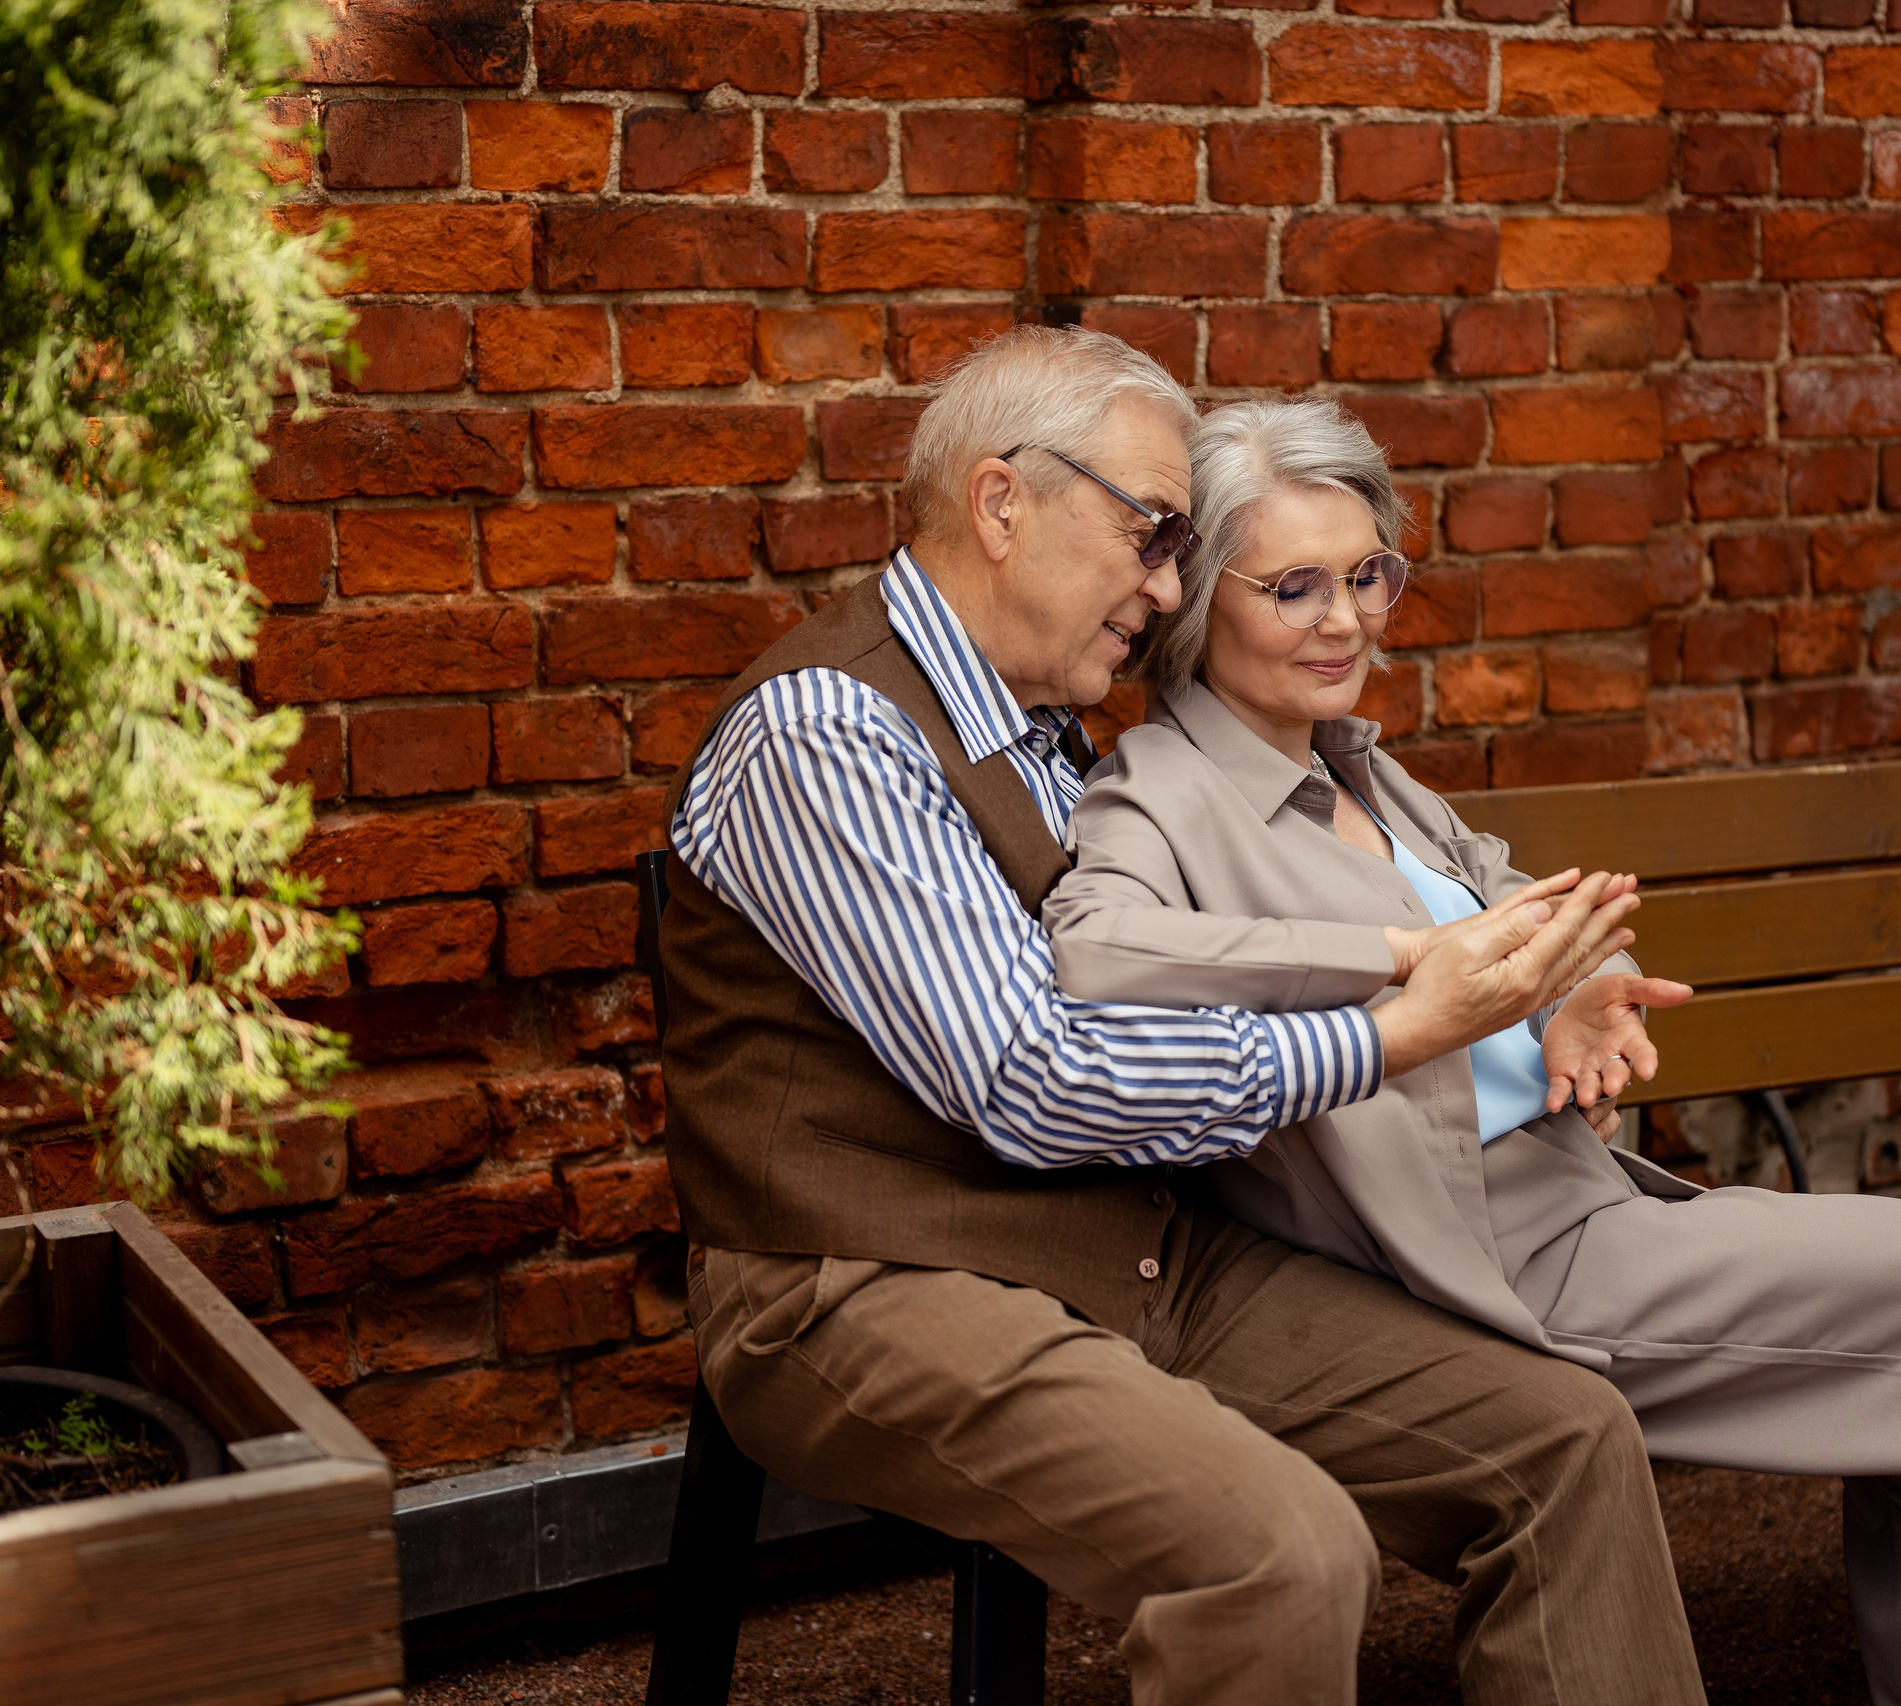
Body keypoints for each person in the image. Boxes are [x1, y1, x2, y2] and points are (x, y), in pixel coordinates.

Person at [1041, 392, 1901, 1706]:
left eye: (1368, 574)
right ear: (1199, 604)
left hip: (1589, 1212)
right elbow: (1099, 955)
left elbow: (1530, 916)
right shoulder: (1159, 793)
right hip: (1486, 1272)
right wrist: (1407, 967)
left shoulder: (1365, 772)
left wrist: (1581, 987)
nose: (1346, 618)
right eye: (1294, 585)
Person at [658, 327, 1710, 1704]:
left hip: (1122, 1249)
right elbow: (1028, 1077)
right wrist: (1394, 1025)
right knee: (1281, 1551)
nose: (1166, 590)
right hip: (862, 1280)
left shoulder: (1051, 733)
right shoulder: (827, 734)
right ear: (1002, 503)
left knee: (1565, 1436)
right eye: (1152, 535)